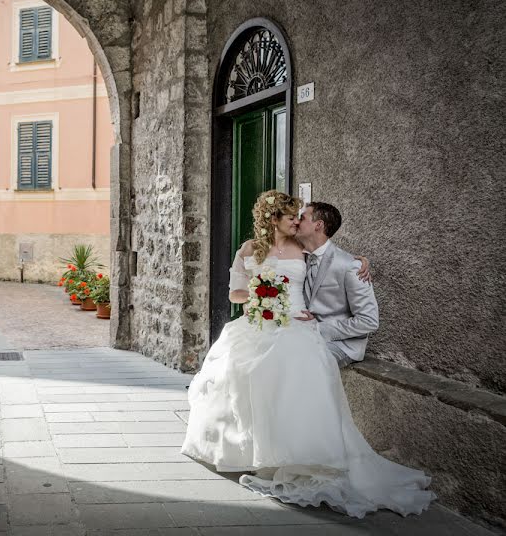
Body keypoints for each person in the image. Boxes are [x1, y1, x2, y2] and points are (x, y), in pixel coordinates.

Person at [181, 190, 436, 518]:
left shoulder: (305, 250)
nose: (296, 221)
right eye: (291, 216)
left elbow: (333, 256)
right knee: (236, 369)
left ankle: (298, 453)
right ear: (274, 220)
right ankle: (247, 449)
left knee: (289, 366)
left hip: (298, 326)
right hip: (259, 321)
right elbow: (235, 292)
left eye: (299, 217)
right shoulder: (249, 250)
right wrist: (261, 296)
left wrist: (362, 262)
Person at [294, 202, 376, 367]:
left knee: (301, 363)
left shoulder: (350, 266)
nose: (296, 222)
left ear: (319, 225)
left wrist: (318, 328)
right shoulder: (297, 255)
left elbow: (369, 321)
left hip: (341, 344)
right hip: (304, 334)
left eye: (302, 218)